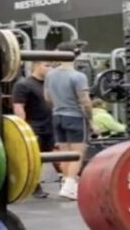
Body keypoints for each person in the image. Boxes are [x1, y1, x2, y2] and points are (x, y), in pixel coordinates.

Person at [44, 41, 92, 201]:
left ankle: (67, 185)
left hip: (57, 116)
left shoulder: (50, 74)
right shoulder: (78, 76)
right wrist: (91, 119)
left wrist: (60, 104)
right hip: (75, 117)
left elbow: (47, 97)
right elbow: (84, 101)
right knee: (77, 155)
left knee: (65, 154)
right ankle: (70, 185)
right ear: (75, 55)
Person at [12, 61, 54, 199]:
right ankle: (34, 186)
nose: (50, 68)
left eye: (52, 66)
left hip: (50, 125)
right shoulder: (24, 84)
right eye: (46, 65)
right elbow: (19, 107)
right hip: (34, 127)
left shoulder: (50, 84)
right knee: (35, 160)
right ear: (35, 66)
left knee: (56, 156)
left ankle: (68, 183)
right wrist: (23, 128)